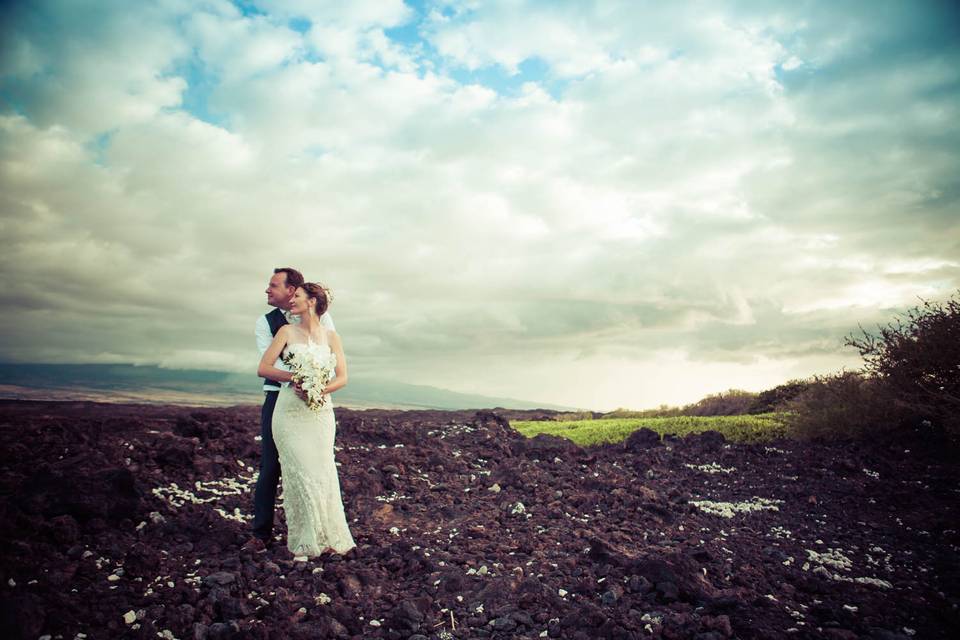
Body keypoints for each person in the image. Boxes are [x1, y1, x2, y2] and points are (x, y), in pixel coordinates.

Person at [256, 282, 356, 557]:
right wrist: (295, 378)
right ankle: (304, 540)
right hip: (289, 413)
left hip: (320, 412)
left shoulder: (332, 337)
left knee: (322, 470)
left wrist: (320, 389)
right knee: (299, 473)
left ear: (311, 301)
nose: (292, 300)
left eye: (297, 296)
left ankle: (328, 537)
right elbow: (263, 367)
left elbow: (343, 377)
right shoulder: (286, 331)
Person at [247, 267, 335, 549]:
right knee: (271, 465)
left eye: (273, 285)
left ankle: (318, 531)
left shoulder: (321, 317)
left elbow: (327, 353)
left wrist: (314, 383)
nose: (267, 290)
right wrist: (300, 377)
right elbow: (268, 361)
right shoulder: (266, 322)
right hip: (279, 398)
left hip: (314, 401)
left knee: (315, 463)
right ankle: (261, 534)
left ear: (292, 290)